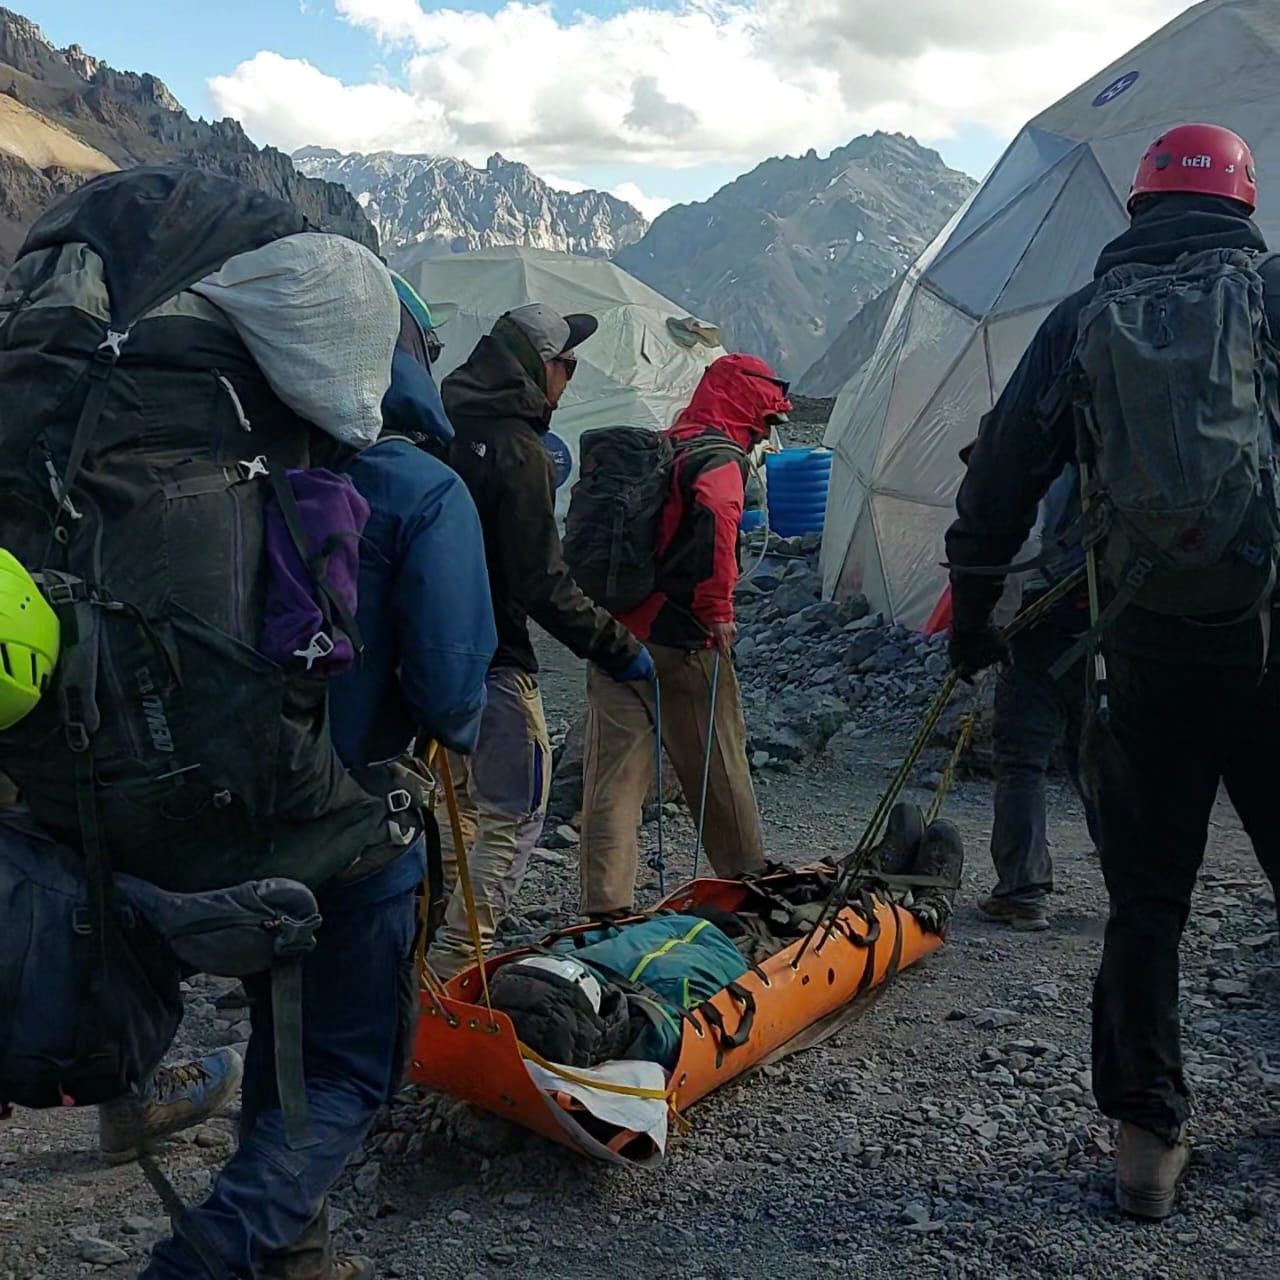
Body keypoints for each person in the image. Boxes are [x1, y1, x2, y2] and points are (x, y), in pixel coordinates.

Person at [945, 123, 1280, 1221]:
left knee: (1145, 902)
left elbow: (998, 480)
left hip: (1139, 657)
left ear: (1137, 206)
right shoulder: (1272, 297)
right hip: (1268, 652)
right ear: (1242, 203)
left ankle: (1146, 1140)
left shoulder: (1083, 319)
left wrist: (973, 620)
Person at [144, 311, 497, 1279]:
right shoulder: (417, 486)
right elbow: (449, 689)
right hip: (350, 827)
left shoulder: (212, 469)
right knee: (346, 1067)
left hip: (211, 817)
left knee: (284, 1024)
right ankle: (199, 1262)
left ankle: (295, 1256)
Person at [428, 304, 651, 978]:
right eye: (567, 365)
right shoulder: (519, 451)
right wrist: (616, 646)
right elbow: (540, 580)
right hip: (495, 654)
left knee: (454, 803)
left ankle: (427, 946)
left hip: (432, 652)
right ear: (539, 366)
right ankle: (458, 961)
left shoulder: (443, 424)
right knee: (514, 809)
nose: (569, 379)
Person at [578, 354, 788, 918]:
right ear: (748, 405)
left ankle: (605, 905)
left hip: (617, 630)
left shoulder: (665, 448)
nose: (767, 433)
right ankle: (745, 881)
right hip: (680, 637)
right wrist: (717, 607)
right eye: (767, 420)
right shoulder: (718, 458)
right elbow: (718, 509)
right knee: (717, 759)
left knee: (614, 773)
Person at [977, 463, 1103, 932]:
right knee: (1100, 758)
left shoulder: (1033, 461)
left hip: (1041, 621)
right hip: (1109, 622)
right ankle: (1135, 889)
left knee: (1021, 761)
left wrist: (979, 633)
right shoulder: (1118, 452)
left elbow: (999, 552)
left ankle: (1023, 892)